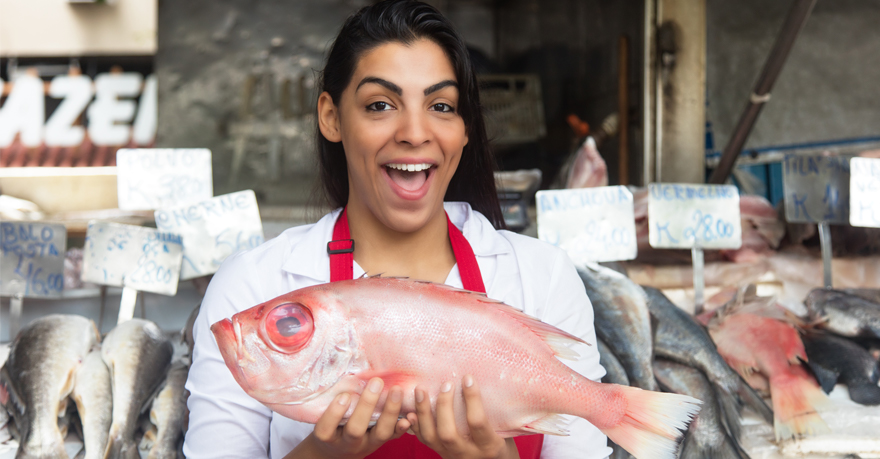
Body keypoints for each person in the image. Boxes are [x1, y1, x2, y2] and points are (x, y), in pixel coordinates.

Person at [184, 1, 611, 458]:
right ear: (331, 117)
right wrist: (319, 455)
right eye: (380, 105)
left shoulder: (543, 276)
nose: (414, 132)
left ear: (465, 128)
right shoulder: (252, 285)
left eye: (441, 106)